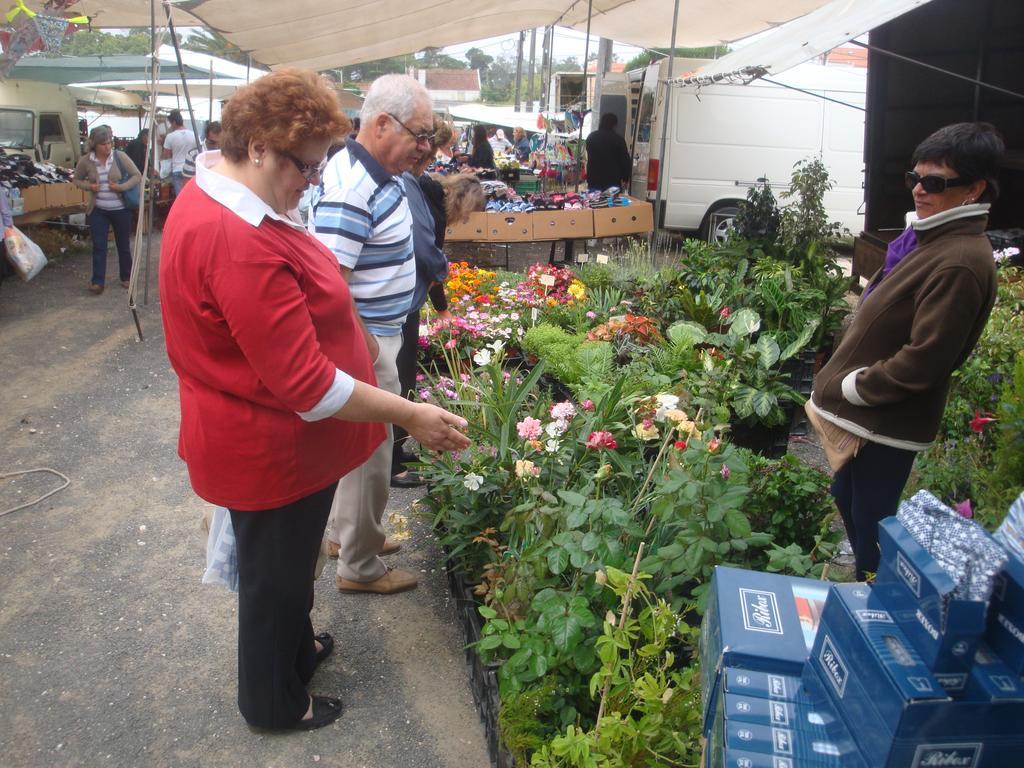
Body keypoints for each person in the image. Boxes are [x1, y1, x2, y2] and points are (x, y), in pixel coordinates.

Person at [159, 69, 468, 732]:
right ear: (260, 148)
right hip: (267, 447)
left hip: (286, 441)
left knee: (293, 566)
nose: (315, 177)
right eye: (306, 164)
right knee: (273, 583)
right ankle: (273, 702)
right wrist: (409, 414)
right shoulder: (236, 238)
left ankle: (298, 652)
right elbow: (306, 383)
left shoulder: (240, 194)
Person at [808, 122, 1003, 579]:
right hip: (874, 416)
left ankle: (879, 598)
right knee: (849, 499)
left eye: (935, 183)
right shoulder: (930, 240)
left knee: (871, 518)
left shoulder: (959, 259)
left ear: (973, 189)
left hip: (888, 418)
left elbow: (927, 359)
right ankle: (871, 586)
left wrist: (856, 386)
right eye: (914, 178)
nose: (919, 190)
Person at [312, 73, 435, 595]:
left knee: (366, 447)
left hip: (381, 333)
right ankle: (359, 566)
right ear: (381, 123)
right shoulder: (352, 186)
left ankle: (351, 535)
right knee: (371, 449)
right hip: (367, 341)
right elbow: (330, 284)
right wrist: (364, 349)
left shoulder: (375, 172)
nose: (425, 147)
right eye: (420, 134)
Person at [391, 121, 487, 487]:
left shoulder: (421, 186)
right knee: (397, 379)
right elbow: (427, 254)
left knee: (404, 376)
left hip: (406, 299)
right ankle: (391, 462)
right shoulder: (428, 197)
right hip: (400, 302)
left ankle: (398, 449)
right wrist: (444, 307)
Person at [72, 125, 141, 294]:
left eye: (109, 142)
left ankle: (126, 277)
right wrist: (89, 186)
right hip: (99, 209)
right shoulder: (86, 160)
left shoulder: (120, 157)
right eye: (103, 144)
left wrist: (121, 187)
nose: (107, 147)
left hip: (120, 208)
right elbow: (76, 179)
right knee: (99, 245)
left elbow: (137, 176)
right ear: (94, 144)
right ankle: (97, 282)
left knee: (123, 244)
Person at [585, 113, 631, 192]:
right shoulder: (618, 140)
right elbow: (625, 161)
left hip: (594, 181)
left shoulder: (591, 137)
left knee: (595, 203)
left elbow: (589, 158)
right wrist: (625, 178)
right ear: (614, 125)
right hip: (612, 182)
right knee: (612, 203)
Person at [161, 109, 198, 197]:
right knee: (192, 196)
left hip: (177, 169)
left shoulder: (170, 137)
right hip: (192, 169)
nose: (170, 126)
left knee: (181, 197)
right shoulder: (194, 134)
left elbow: (167, 156)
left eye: (170, 124)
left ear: (174, 122)